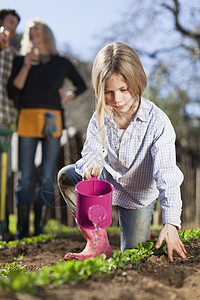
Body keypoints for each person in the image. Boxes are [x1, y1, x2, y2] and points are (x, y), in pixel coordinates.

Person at [57, 41, 187, 262]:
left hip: (138, 195)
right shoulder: (101, 115)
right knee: (69, 176)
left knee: (132, 256)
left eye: (123, 90)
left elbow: (167, 174)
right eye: (108, 92)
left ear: (137, 82)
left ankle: (135, 235)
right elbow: (93, 151)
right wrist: (92, 164)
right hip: (107, 184)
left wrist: (171, 223)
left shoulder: (158, 123)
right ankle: (97, 243)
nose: (117, 100)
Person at [7, 19, 87, 239]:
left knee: (45, 176)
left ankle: (39, 228)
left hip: (53, 120)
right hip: (27, 119)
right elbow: (13, 92)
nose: (33, 31)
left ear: (47, 34)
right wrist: (25, 65)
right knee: (24, 176)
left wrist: (67, 96)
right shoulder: (20, 60)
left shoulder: (61, 62)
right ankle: (22, 229)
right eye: (31, 28)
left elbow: (81, 84)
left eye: (37, 27)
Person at [0, 9, 21, 238]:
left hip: (5, 120)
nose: (12, 27)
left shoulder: (14, 55)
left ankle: (3, 225)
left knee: (3, 175)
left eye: (16, 24)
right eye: (10, 22)